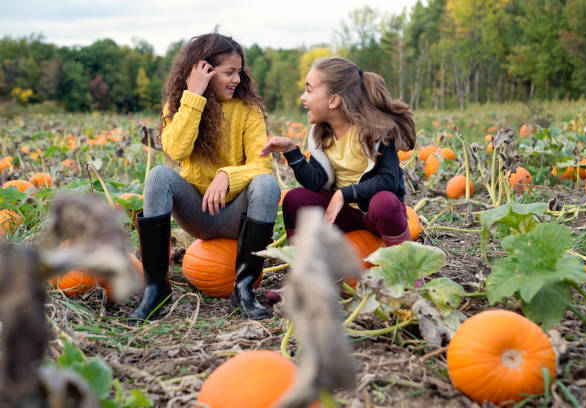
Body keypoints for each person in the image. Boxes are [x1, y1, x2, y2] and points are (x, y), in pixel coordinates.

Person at [131, 33, 280, 321]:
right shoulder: (179, 106)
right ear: (205, 72)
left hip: (237, 214)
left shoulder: (248, 110)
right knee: (158, 176)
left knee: (267, 183)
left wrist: (227, 175)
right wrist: (193, 98)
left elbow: (261, 166)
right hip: (198, 212)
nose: (237, 79)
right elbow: (175, 149)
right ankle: (156, 289)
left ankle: (244, 288)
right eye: (229, 72)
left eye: (239, 72)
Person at [261, 56, 415, 252]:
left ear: (333, 101)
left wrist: (345, 193)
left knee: (385, 203)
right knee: (294, 199)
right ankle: (302, 265)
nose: (303, 97)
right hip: (342, 215)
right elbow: (316, 181)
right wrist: (292, 152)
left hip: (374, 214)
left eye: (309, 90)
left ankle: (407, 263)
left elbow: (388, 180)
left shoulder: (375, 130)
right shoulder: (320, 134)